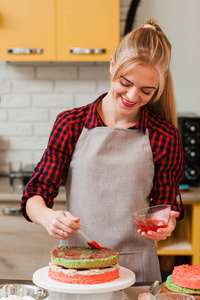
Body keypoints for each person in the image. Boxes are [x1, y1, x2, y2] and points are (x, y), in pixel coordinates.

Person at [21, 18, 184, 283]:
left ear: (159, 87)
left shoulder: (164, 136)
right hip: (77, 267)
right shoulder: (71, 123)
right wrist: (47, 216)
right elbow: (35, 193)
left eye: (146, 90)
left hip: (137, 270)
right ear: (112, 66)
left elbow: (164, 207)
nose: (132, 96)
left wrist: (165, 226)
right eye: (125, 82)